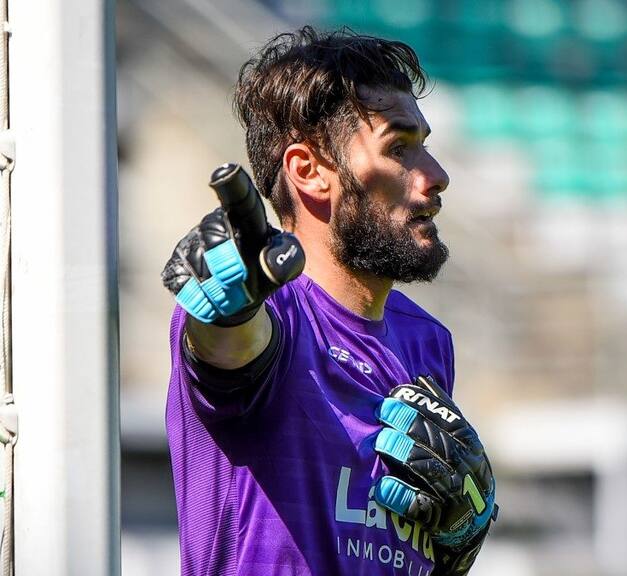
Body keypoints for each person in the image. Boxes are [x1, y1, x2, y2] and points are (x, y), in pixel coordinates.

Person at [161, 26, 497, 576]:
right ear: (310, 172)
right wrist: (228, 313)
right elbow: (232, 346)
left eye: (426, 145)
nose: (436, 176)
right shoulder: (268, 313)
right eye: (399, 148)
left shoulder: (428, 342)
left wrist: (455, 543)